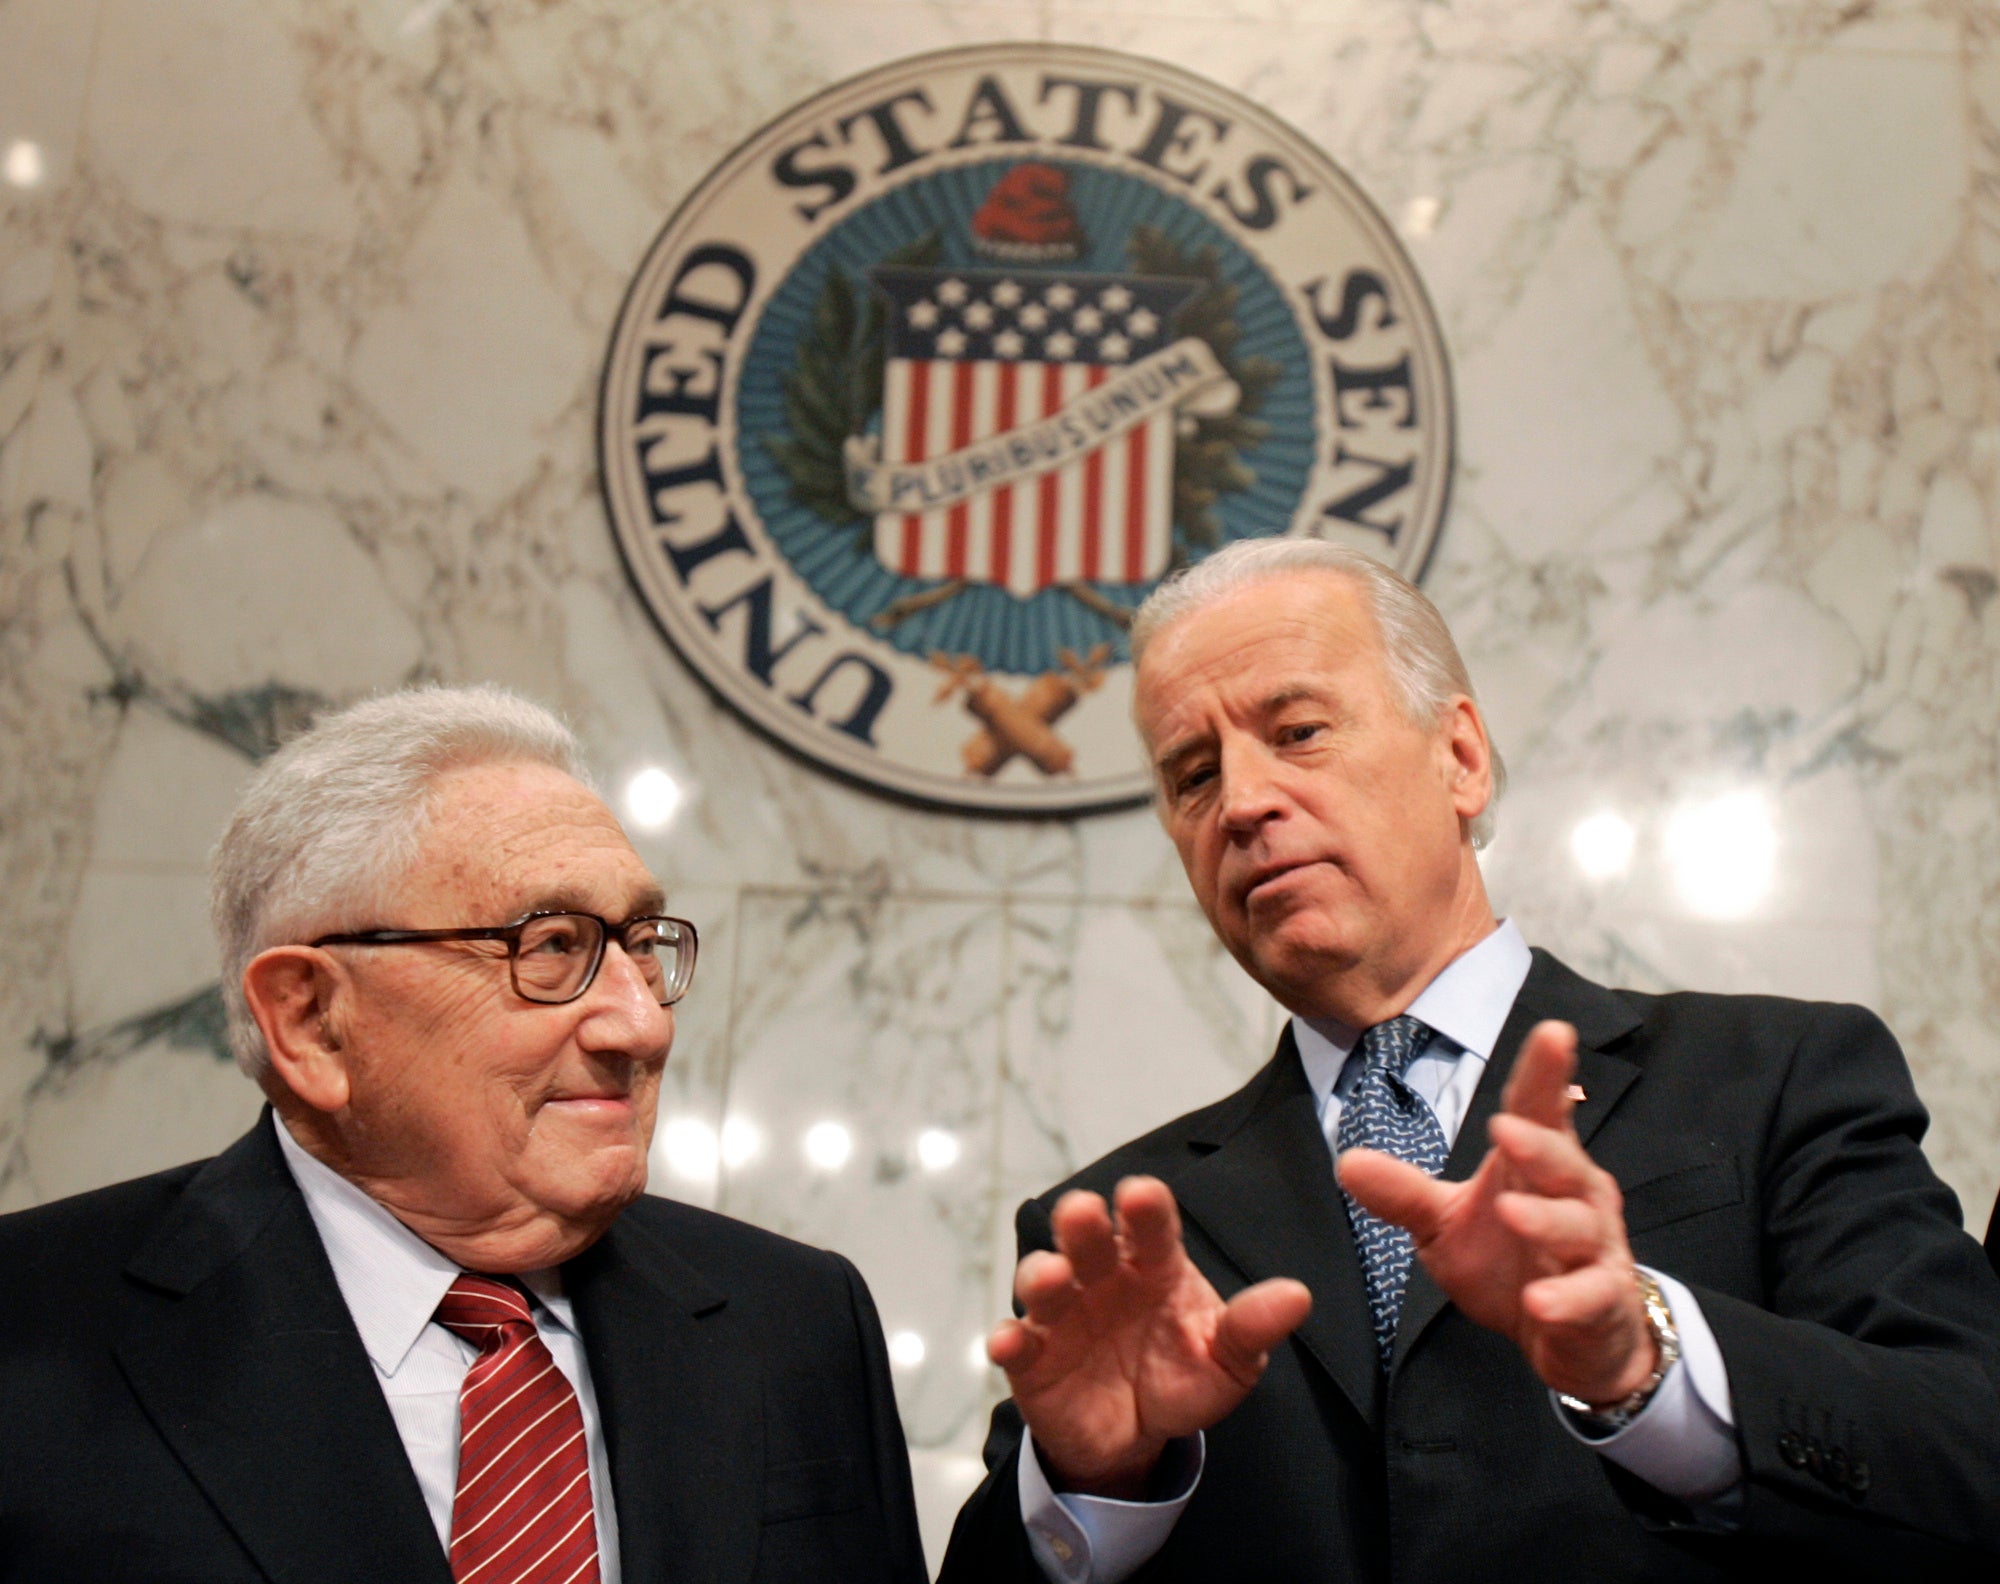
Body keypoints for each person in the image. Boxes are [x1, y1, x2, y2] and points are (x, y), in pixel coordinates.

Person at [939, 539, 2000, 1584]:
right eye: (1192, 774)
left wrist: (1646, 1361)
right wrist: (1093, 1484)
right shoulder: (1115, 1236)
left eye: (1296, 731)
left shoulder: (1779, 1077)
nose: (1243, 803)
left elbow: (1965, 1453)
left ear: (1458, 757)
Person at [0, 686, 925, 1584]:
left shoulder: (798, 1324)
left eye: (641, 944)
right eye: (553, 946)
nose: (642, 1025)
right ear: (313, 1021)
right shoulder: (35, 1327)